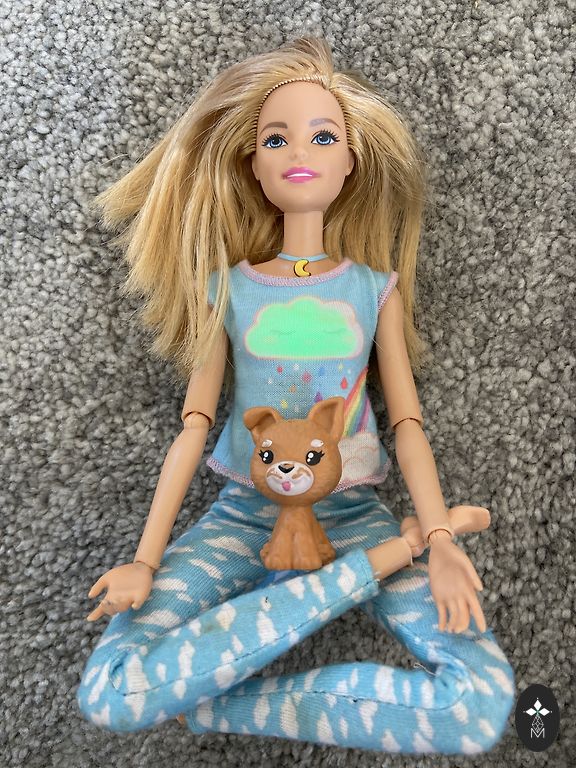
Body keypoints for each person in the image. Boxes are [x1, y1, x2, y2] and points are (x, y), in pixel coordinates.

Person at [77, 38, 515, 753]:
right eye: (276, 139)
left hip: (354, 512)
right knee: (110, 691)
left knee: (479, 703)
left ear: (351, 161)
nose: (299, 152)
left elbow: (407, 424)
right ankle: (376, 565)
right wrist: (144, 560)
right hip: (244, 514)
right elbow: (194, 427)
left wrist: (437, 540)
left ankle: (211, 705)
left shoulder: (374, 289)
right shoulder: (228, 289)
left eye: (323, 136)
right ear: (253, 164)